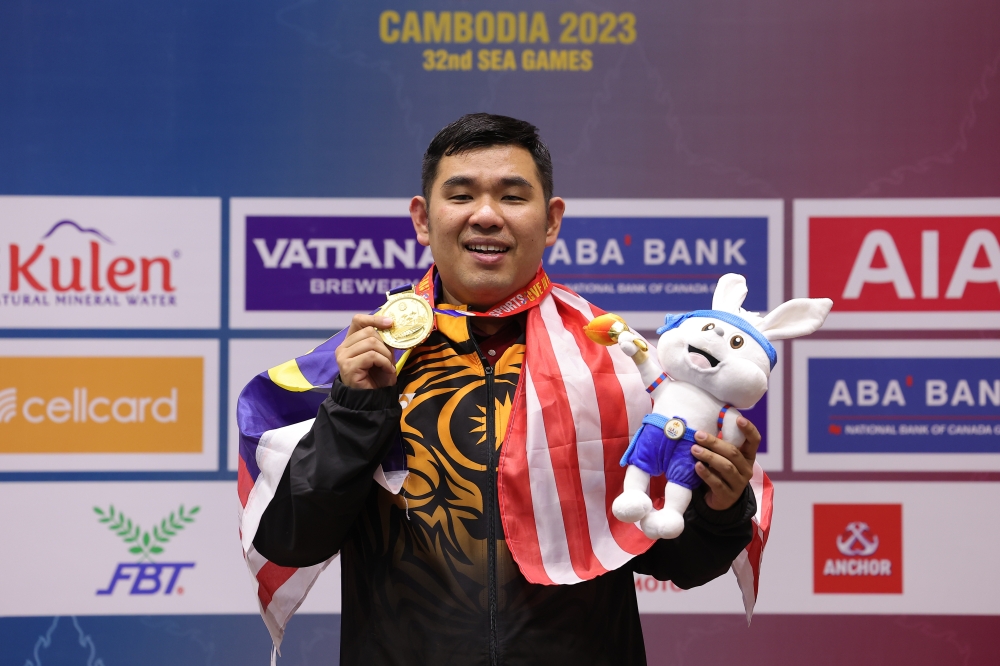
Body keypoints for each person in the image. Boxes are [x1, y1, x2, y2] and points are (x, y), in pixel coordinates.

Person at [250, 113, 761, 665]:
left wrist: (721, 505)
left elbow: (681, 563)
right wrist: (354, 409)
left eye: (513, 197)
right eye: (462, 195)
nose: (487, 216)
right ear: (423, 219)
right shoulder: (360, 364)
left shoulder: (613, 365)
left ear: (551, 221)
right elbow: (289, 541)